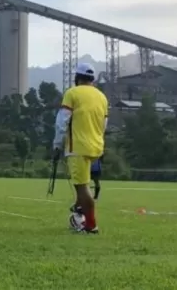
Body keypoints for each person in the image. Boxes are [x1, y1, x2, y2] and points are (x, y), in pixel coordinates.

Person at [53, 63, 108, 234]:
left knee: (82, 187)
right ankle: (79, 209)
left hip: (77, 147)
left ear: (77, 78)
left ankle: (91, 225)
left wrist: (57, 144)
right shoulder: (102, 97)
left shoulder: (72, 93)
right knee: (84, 185)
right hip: (96, 146)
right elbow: (104, 124)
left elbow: (62, 122)